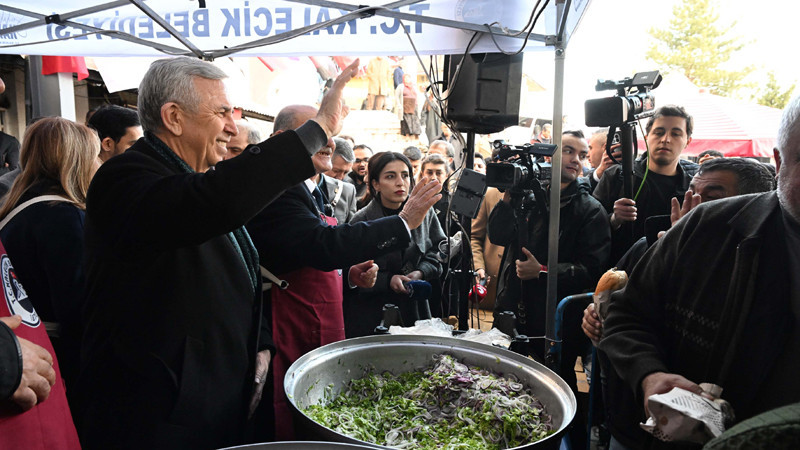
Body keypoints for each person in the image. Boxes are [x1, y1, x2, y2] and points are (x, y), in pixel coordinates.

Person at [77, 56, 360, 449]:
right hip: (157, 417)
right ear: (174, 117)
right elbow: (213, 203)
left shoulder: (192, 178)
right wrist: (319, 128)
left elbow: (239, 272)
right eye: (222, 112)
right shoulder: (125, 179)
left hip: (211, 403)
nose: (232, 126)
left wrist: (261, 343)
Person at [599, 95, 800, 450]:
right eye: (658, 131)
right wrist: (649, 374)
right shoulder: (704, 228)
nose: (695, 201)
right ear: (780, 162)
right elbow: (627, 314)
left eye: (675, 132)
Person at [246, 104, 441, 439]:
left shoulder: (312, 188)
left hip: (326, 320)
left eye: (331, 134)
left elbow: (308, 252)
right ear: (282, 139)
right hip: (289, 324)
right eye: (319, 133)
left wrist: (349, 275)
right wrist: (403, 222)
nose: (330, 143)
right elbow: (323, 245)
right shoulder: (277, 191)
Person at [582, 157, 776, 450]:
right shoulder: (647, 247)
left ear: (752, 209)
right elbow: (621, 311)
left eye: (711, 199)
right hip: (632, 424)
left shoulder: (767, 271)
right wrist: (596, 319)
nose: (694, 206)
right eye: (690, 193)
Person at [0, 117, 99, 400]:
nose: (98, 164)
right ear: (78, 160)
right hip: (54, 365)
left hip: (22, 351)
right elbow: (78, 310)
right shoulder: (64, 216)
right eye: (94, 156)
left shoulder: (15, 207)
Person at [489, 130, 610, 359]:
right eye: (568, 151)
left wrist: (542, 271)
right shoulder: (528, 198)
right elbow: (498, 237)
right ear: (548, 156)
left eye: (582, 155)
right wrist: (508, 198)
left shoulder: (591, 210)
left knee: (555, 376)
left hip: (556, 320)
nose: (576, 160)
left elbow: (592, 270)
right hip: (512, 307)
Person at [346, 152, 446, 338]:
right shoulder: (362, 220)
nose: (400, 183)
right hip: (372, 313)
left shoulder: (424, 212)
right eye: (390, 176)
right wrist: (387, 280)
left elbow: (440, 249)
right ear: (375, 184)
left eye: (405, 175)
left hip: (415, 310)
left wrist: (421, 271)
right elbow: (350, 272)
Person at [593, 105, 699, 263]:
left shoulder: (696, 183)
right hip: (619, 269)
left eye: (676, 134)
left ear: (687, 141)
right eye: (659, 132)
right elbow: (591, 229)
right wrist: (614, 219)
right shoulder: (617, 176)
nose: (665, 139)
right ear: (647, 136)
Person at [470, 187, 504, 309]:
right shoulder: (491, 194)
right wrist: (479, 267)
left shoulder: (541, 193)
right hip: (488, 292)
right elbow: (474, 237)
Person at [397, 73, 422, 142]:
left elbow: (417, 95)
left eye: (408, 78)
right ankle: (407, 135)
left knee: (415, 120)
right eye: (405, 78)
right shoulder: (401, 87)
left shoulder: (413, 86)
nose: (407, 79)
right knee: (406, 120)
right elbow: (397, 96)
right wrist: (399, 105)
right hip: (405, 105)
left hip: (414, 105)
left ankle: (416, 135)